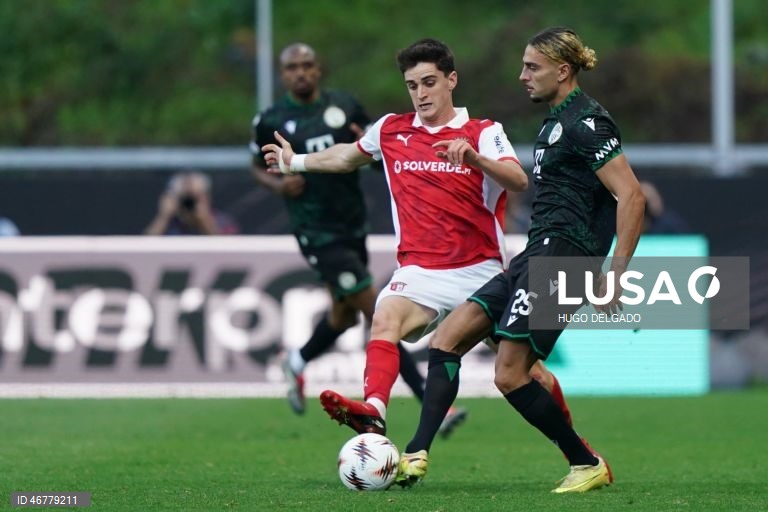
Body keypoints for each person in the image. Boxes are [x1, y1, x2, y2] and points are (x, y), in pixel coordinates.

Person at [262, 38, 576, 440]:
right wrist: (295, 161)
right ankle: (373, 410)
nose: (421, 93)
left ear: (451, 80)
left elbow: (517, 179)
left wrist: (475, 158)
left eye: (429, 82)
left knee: (528, 373)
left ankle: (575, 445)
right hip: (420, 271)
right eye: (413, 85)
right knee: (384, 317)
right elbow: (345, 156)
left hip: (480, 274)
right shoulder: (391, 129)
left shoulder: (482, 131)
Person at [396, 27, 646, 493]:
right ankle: (416, 453)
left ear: (563, 71)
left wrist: (614, 273)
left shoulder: (585, 122)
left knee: (510, 374)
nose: (522, 76)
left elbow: (630, 195)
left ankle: (585, 461)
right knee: (447, 339)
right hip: (536, 253)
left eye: (532, 67)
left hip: (564, 258)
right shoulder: (554, 122)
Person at [251, 42, 467, 434]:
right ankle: (430, 405)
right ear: (283, 75)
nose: (300, 73)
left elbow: (375, 154)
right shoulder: (271, 119)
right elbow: (257, 167)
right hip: (316, 233)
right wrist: (278, 185)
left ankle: (296, 361)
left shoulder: (346, 107)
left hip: (352, 226)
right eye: (292, 67)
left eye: (307, 65)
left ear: (319, 69)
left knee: (343, 314)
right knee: (376, 311)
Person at [144, 170, 239, 236]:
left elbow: (229, 253)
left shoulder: (223, 222)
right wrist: (163, 216)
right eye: (185, 197)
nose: (190, 202)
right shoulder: (169, 224)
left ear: (207, 197)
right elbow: (144, 251)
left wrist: (205, 221)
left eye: (195, 197)